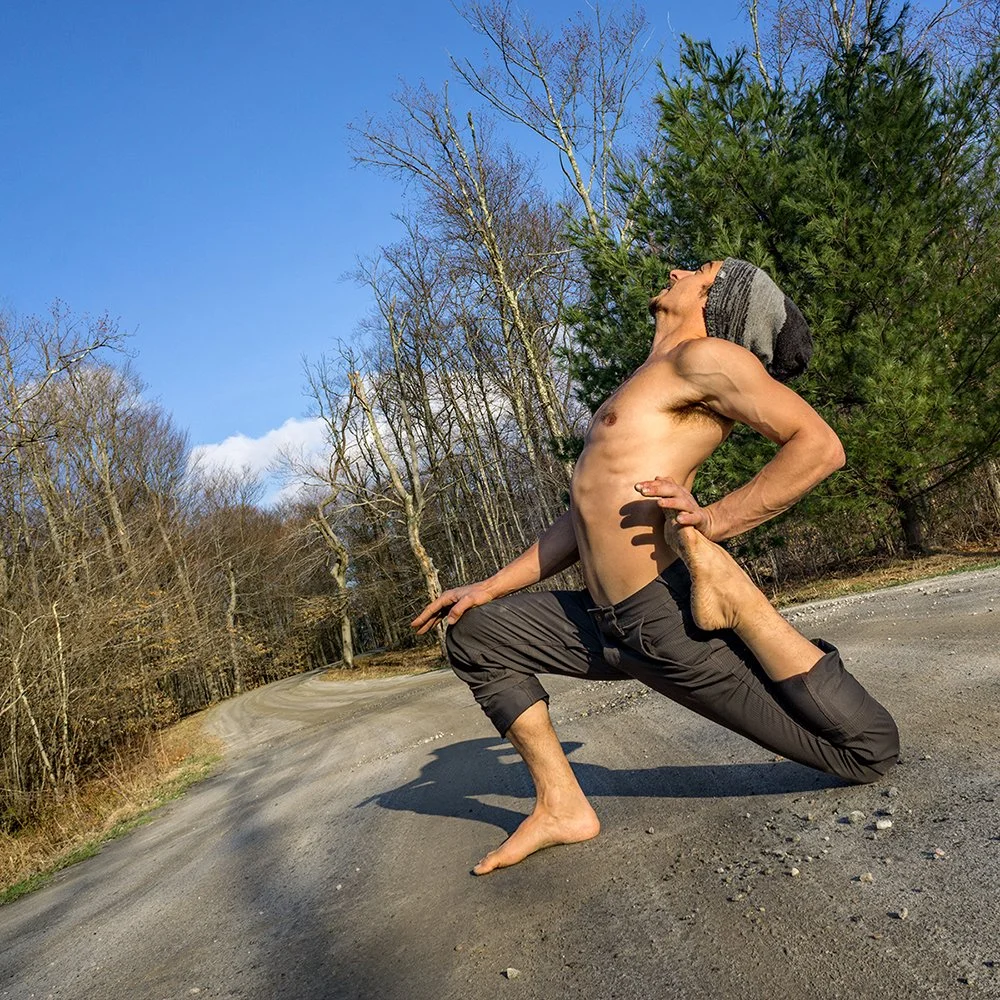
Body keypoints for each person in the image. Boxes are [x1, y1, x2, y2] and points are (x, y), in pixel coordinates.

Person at [411, 258, 899, 875]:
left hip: (666, 617)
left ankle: (737, 599)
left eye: (701, 269)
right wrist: (489, 586)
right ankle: (562, 806)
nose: (677, 269)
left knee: (866, 751)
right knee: (478, 635)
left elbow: (820, 446)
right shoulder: (645, 377)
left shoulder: (707, 359)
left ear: (718, 300)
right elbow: (582, 516)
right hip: (601, 620)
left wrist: (713, 523)